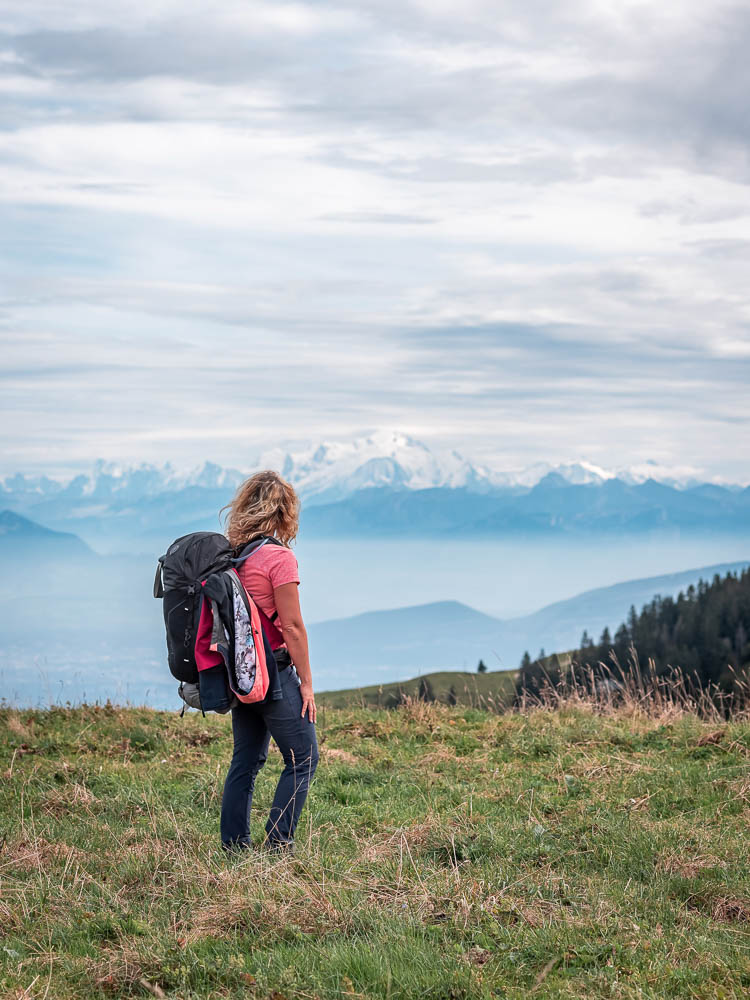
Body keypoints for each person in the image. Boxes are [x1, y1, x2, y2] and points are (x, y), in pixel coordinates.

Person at [218, 470, 318, 854]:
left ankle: (234, 846)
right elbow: (292, 626)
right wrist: (306, 682)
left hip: (241, 674)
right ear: (283, 512)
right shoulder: (278, 558)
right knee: (304, 757)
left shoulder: (231, 557)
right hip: (273, 673)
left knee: (245, 759)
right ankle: (279, 843)